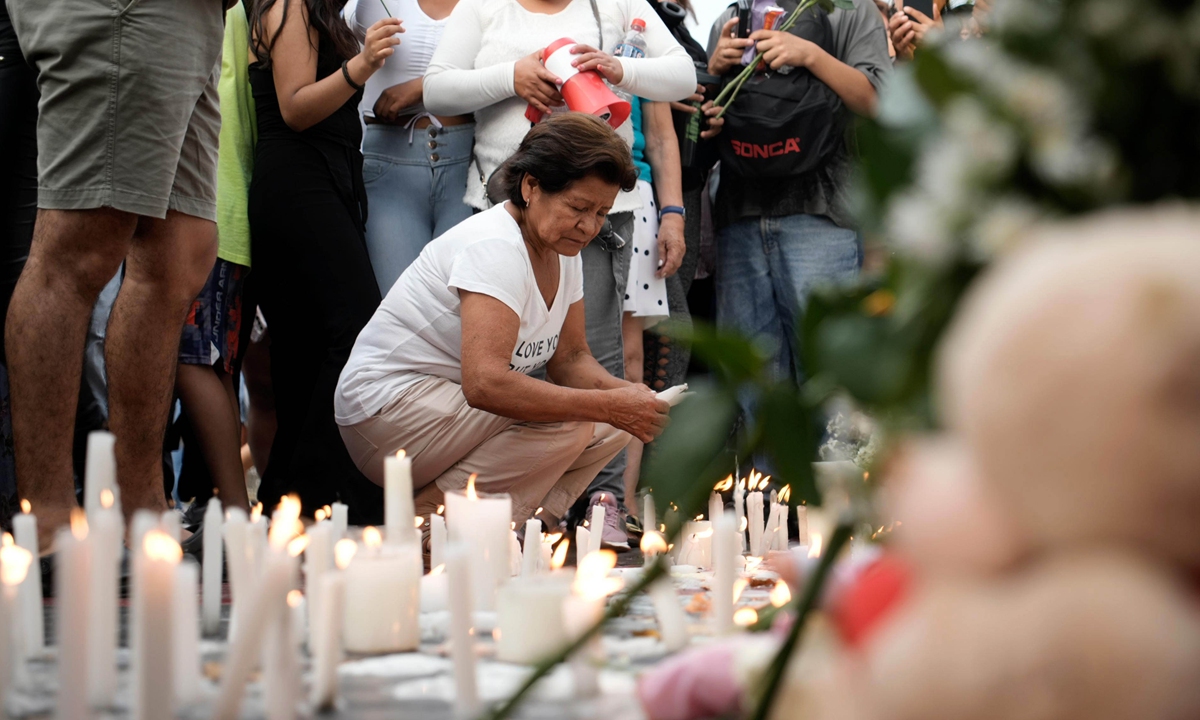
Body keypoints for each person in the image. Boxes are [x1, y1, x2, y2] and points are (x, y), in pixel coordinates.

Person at [423, 0, 695, 548]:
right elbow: (437, 92)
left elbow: (683, 73)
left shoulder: (616, 3)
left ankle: (605, 503)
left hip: (598, 213)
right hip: (505, 209)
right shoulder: (483, 6)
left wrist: (620, 70)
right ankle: (515, 511)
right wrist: (513, 77)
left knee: (591, 355)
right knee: (506, 361)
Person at [336, 113, 670, 532]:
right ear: (531, 186)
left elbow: (570, 359)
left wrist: (636, 400)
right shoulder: (496, 246)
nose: (589, 227)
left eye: (602, 213)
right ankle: (432, 526)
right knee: (577, 419)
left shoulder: (564, 252)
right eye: (578, 207)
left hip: (445, 414)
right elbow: (486, 382)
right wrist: (608, 403)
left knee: (612, 424)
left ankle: (512, 529)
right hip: (384, 415)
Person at [5, 0, 226, 547]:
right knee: (78, 249)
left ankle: (140, 514)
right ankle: (49, 522)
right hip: (128, 9)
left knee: (179, 257)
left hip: (194, 15)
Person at [247, 0, 403, 523]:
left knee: (308, 347)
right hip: (298, 181)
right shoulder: (291, 6)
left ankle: (292, 498)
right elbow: (294, 107)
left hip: (324, 178)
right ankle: (314, 492)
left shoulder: (325, 14)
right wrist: (360, 66)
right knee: (353, 327)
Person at [703, 0, 890, 388]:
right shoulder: (731, 17)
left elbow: (877, 102)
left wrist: (811, 54)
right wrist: (714, 70)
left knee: (827, 375)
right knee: (752, 384)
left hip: (823, 212)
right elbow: (707, 119)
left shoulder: (849, 9)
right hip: (739, 214)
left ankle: (834, 455)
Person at [175, 0, 258, 516]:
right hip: (223, 206)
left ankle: (232, 512)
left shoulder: (219, 14)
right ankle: (227, 510)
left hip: (210, 204)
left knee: (195, 361)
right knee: (213, 364)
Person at [353, 0, 475, 294]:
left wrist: (424, 86)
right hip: (390, 166)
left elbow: (505, 66)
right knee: (399, 309)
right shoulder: (370, 4)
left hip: (465, 167)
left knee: (456, 309)